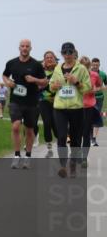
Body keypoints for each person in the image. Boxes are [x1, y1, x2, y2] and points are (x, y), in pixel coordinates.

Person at [48, 42, 93, 178]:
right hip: (60, 107)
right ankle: (63, 166)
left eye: (70, 52)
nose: (67, 55)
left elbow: (88, 88)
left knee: (75, 139)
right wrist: (54, 86)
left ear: (74, 53)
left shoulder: (81, 69)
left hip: (76, 108)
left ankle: (72, 164)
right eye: (65, 53)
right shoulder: (57, 69)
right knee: (61, 137)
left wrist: (76, 82)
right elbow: (51, 87)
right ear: (61, 54)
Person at [2, 39, 47, 169]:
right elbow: (4, 75)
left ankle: (27, 155)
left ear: (30, 48)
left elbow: (44, 82)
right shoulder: (11, 63)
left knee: (29, 130)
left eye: (27, 46)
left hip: (31, 102)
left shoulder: (36, 65)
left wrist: (34, 79)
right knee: (15, 127)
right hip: (16, 101)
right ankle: (17, 155)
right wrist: (7, 82)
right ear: (19, 48)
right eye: (22, 46)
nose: (25, 48)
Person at [79, 55, 103, 167]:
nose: (84, 68)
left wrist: (95, 90)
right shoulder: (75, 75)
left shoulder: (94, 75)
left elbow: (100, 85)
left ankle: (84, 158)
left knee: (86, 132)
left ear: (89, 66)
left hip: (89, 106)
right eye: (82, 66)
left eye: (86, 66)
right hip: (76, 106)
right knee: (76, 133)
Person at [39, 50, 59, 157]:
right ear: (44, 60)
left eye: (51, 57)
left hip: (57, 101)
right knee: (47, 122)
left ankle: (63, 143)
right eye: (47, 57)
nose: (49, 59)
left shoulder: (59, 70)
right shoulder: (40, 71)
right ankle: (49, 147)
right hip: (43, 100)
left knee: (56, 125)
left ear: (55, 59)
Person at [91, 57, 105, 147]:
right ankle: (88, 136)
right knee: (88, 118)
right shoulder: (87, 73)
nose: (95, 66)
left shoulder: (103, 74)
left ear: (99, 65)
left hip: (99, 98)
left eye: (97, 65)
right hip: (88, 98)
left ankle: (94, 139)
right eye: (94, 64)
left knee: (96, 117)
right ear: (91, 65)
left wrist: (101, 88)